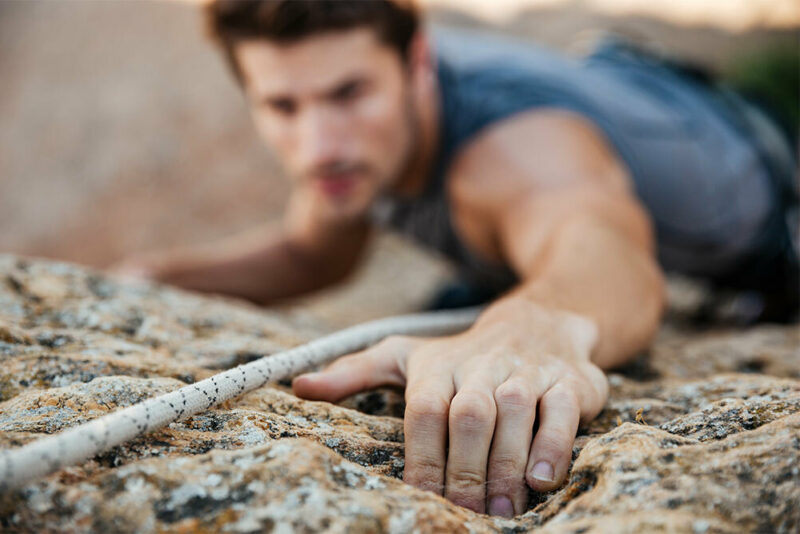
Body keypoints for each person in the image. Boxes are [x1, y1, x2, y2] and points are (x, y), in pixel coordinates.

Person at [111, 0, 799, 518]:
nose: (318, 144)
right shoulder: (352, 152)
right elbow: (312, 255)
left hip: (767, 198)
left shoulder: (510, 150)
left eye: (348, 93)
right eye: (282, 105)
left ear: (417, 63)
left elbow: (604, 246)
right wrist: (153, 278)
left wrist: (534, 328)